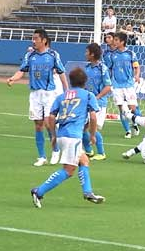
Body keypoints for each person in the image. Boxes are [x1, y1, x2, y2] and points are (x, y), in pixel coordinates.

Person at [30, 67, 105, 208]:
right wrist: (93, 134)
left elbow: (51, 116)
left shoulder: (62, 96)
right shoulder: (88, 95)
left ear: (70, 81)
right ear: (85, 81)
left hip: (62, 134)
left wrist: (53, 136)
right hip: (73, 136)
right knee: (68, 170)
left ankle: (88, 192)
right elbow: (93, 116)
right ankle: (39, 191)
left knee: (84, 161)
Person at [7, 29, 69, 167]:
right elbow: (22, 71)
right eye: (33, 38)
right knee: (38, 125)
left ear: (44, 40)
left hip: (49, 93)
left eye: (36, 39)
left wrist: (66, 91)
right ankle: (41, 156)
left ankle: (55, 150)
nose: (33, 41)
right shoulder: (30, 55)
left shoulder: (53, 54)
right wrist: (13, 78)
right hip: (35, 94)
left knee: (48, 123)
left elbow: (61, 72)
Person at [104, 32, 140, 138]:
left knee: (132, 108)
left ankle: (134, 123)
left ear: (122, 42)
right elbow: (109, 69)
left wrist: (137, 76)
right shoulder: (112, 55)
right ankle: (127, 131)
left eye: (116, 40)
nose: (114, 42)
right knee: (121, 109)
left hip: (129, 84)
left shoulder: (130, 53)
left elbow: (136, 66)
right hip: (116, 85)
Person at [83, 43, 112, 161]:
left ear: (92, 54)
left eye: (87, 52)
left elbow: (108, 86)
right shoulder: (87, 68)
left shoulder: (102, 68)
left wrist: (98, 97)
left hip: (98, 103)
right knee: (82, 128)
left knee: (92, 128)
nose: (85, 54)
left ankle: (101, 153)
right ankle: (89, 151)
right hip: (87, 102)